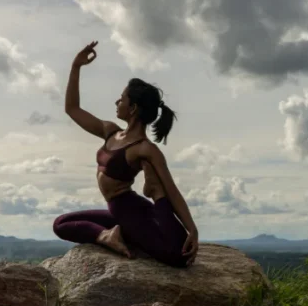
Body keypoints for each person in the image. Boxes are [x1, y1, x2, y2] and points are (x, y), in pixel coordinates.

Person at [52, 40, 199, 268]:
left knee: (178, 256)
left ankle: (154, 192)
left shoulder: (145, 149)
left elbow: (172, 190)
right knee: (61, 224)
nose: (117, 101)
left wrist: (192, 229)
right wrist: (75, 66)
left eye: (122, 98)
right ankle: (107, 236)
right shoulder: (110, 131)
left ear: (133, 108)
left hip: (132, 211)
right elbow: (72, 109)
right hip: (118, 211)